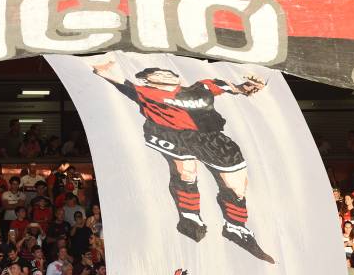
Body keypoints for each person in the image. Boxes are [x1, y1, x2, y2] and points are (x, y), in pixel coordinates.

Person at [92, 58, 272, 263]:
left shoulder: (200, 88)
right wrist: (103, 69)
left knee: (236, 186)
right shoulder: (147, 93)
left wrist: (244, 88)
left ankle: (235, 228)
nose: (164, 74)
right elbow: (121, 83)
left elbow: (223, 86)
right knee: (186, 172)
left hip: (210, 137)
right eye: (157, 74)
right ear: (148, 81)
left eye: (167, 72)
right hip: (171, 134)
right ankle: (190, 218)